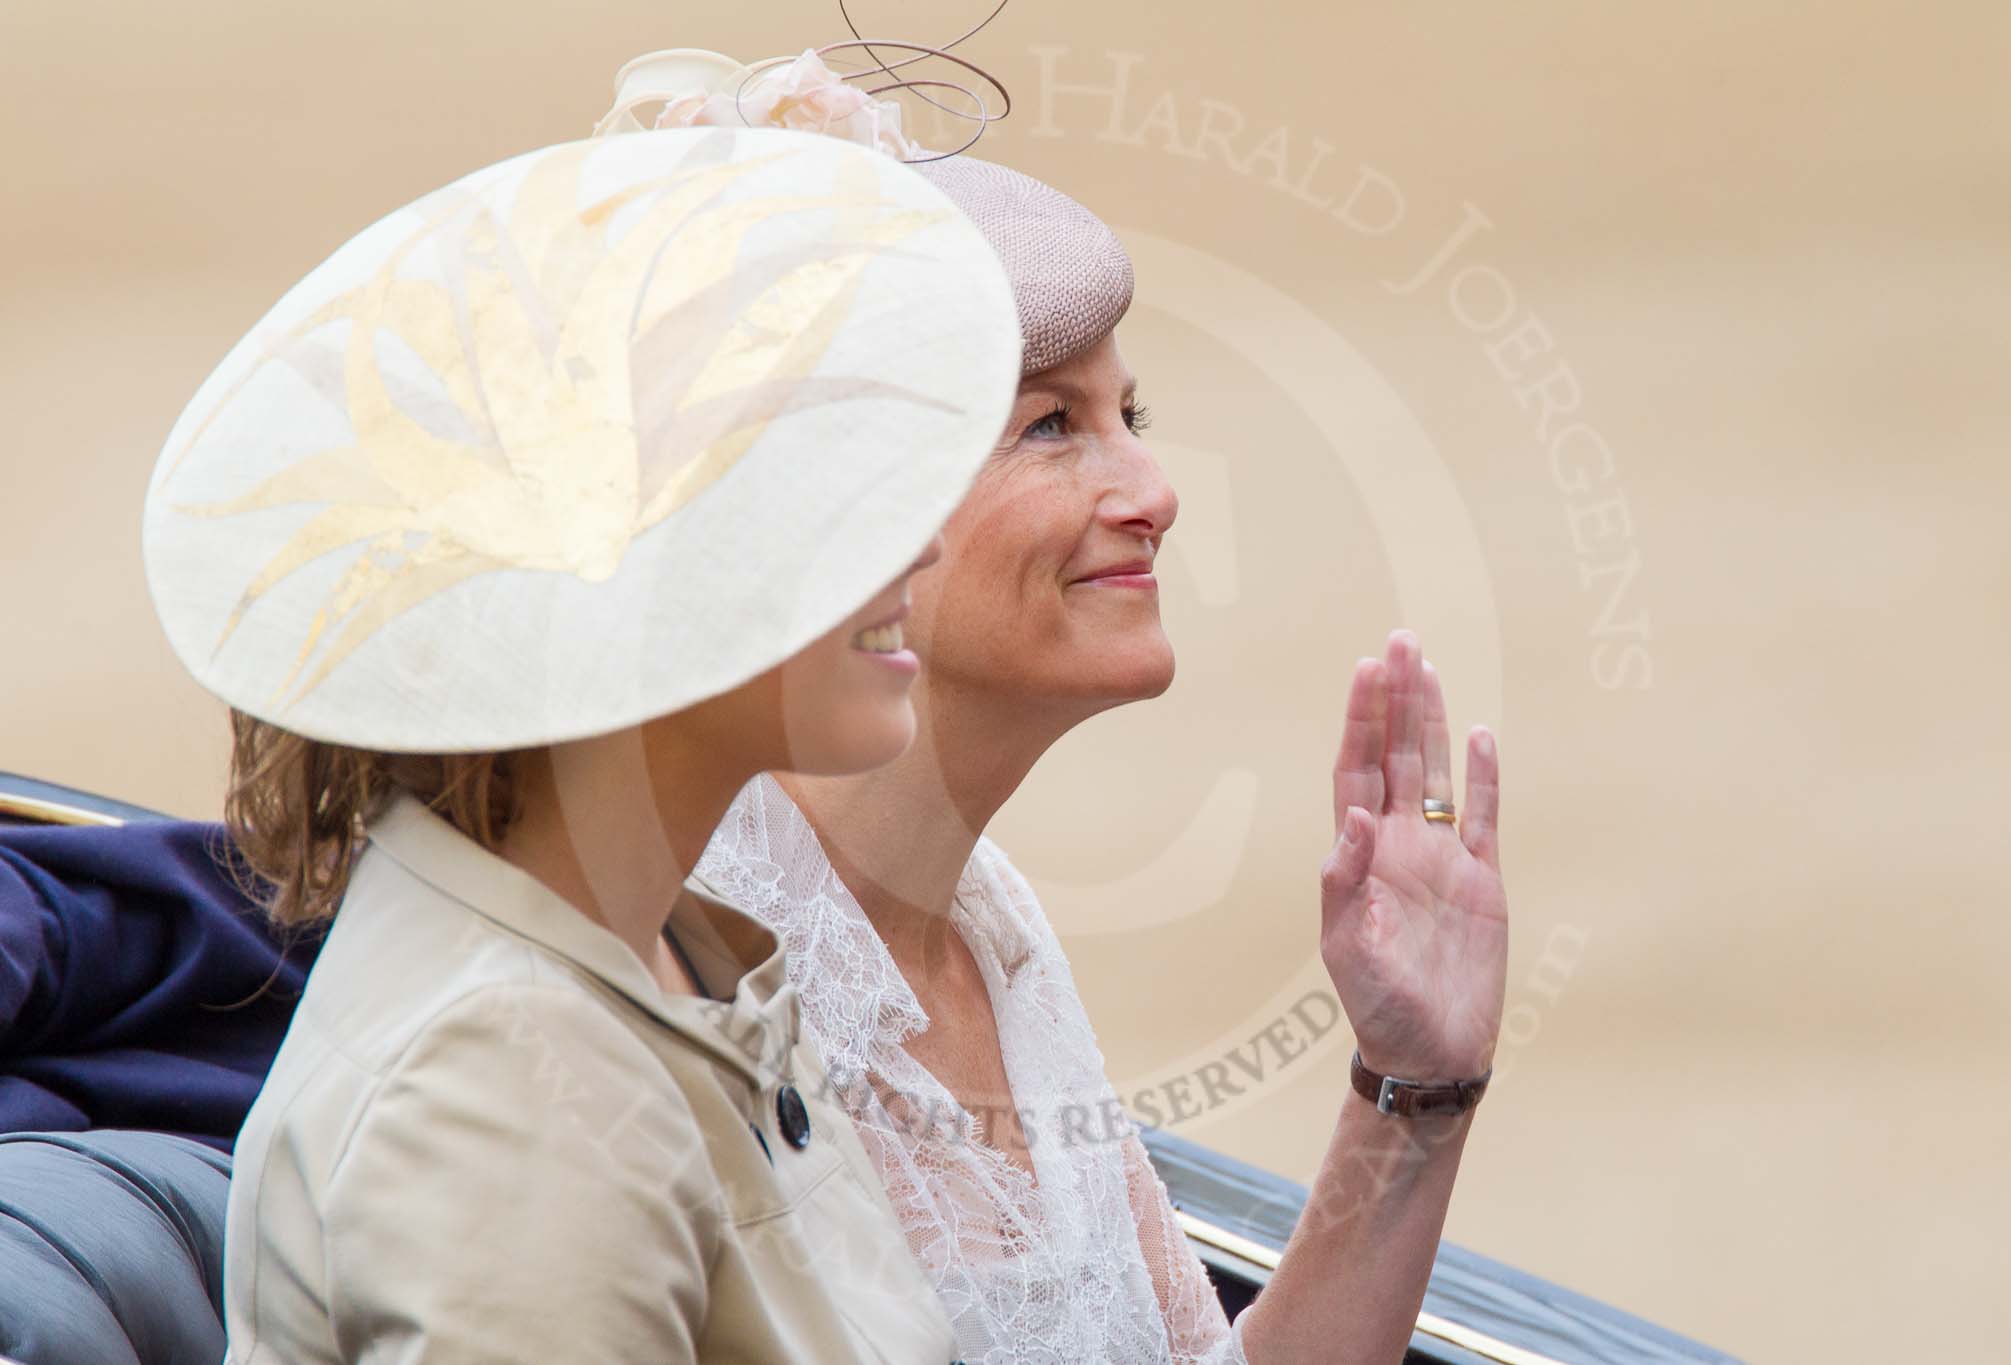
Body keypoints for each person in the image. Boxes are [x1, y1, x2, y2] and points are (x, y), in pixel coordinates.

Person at [608, 48, 1512, 1364]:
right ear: (840, 506)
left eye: (1128, 411)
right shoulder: (684, 959)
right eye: (1049, 426)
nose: (1152, 485)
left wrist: (1412, 1091)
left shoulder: (992, 928)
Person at [138, 120, 1020, 1360]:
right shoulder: (514, 1091)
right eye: (822, 490)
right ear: (623, 567)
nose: (918, 545)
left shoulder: (636, 946)